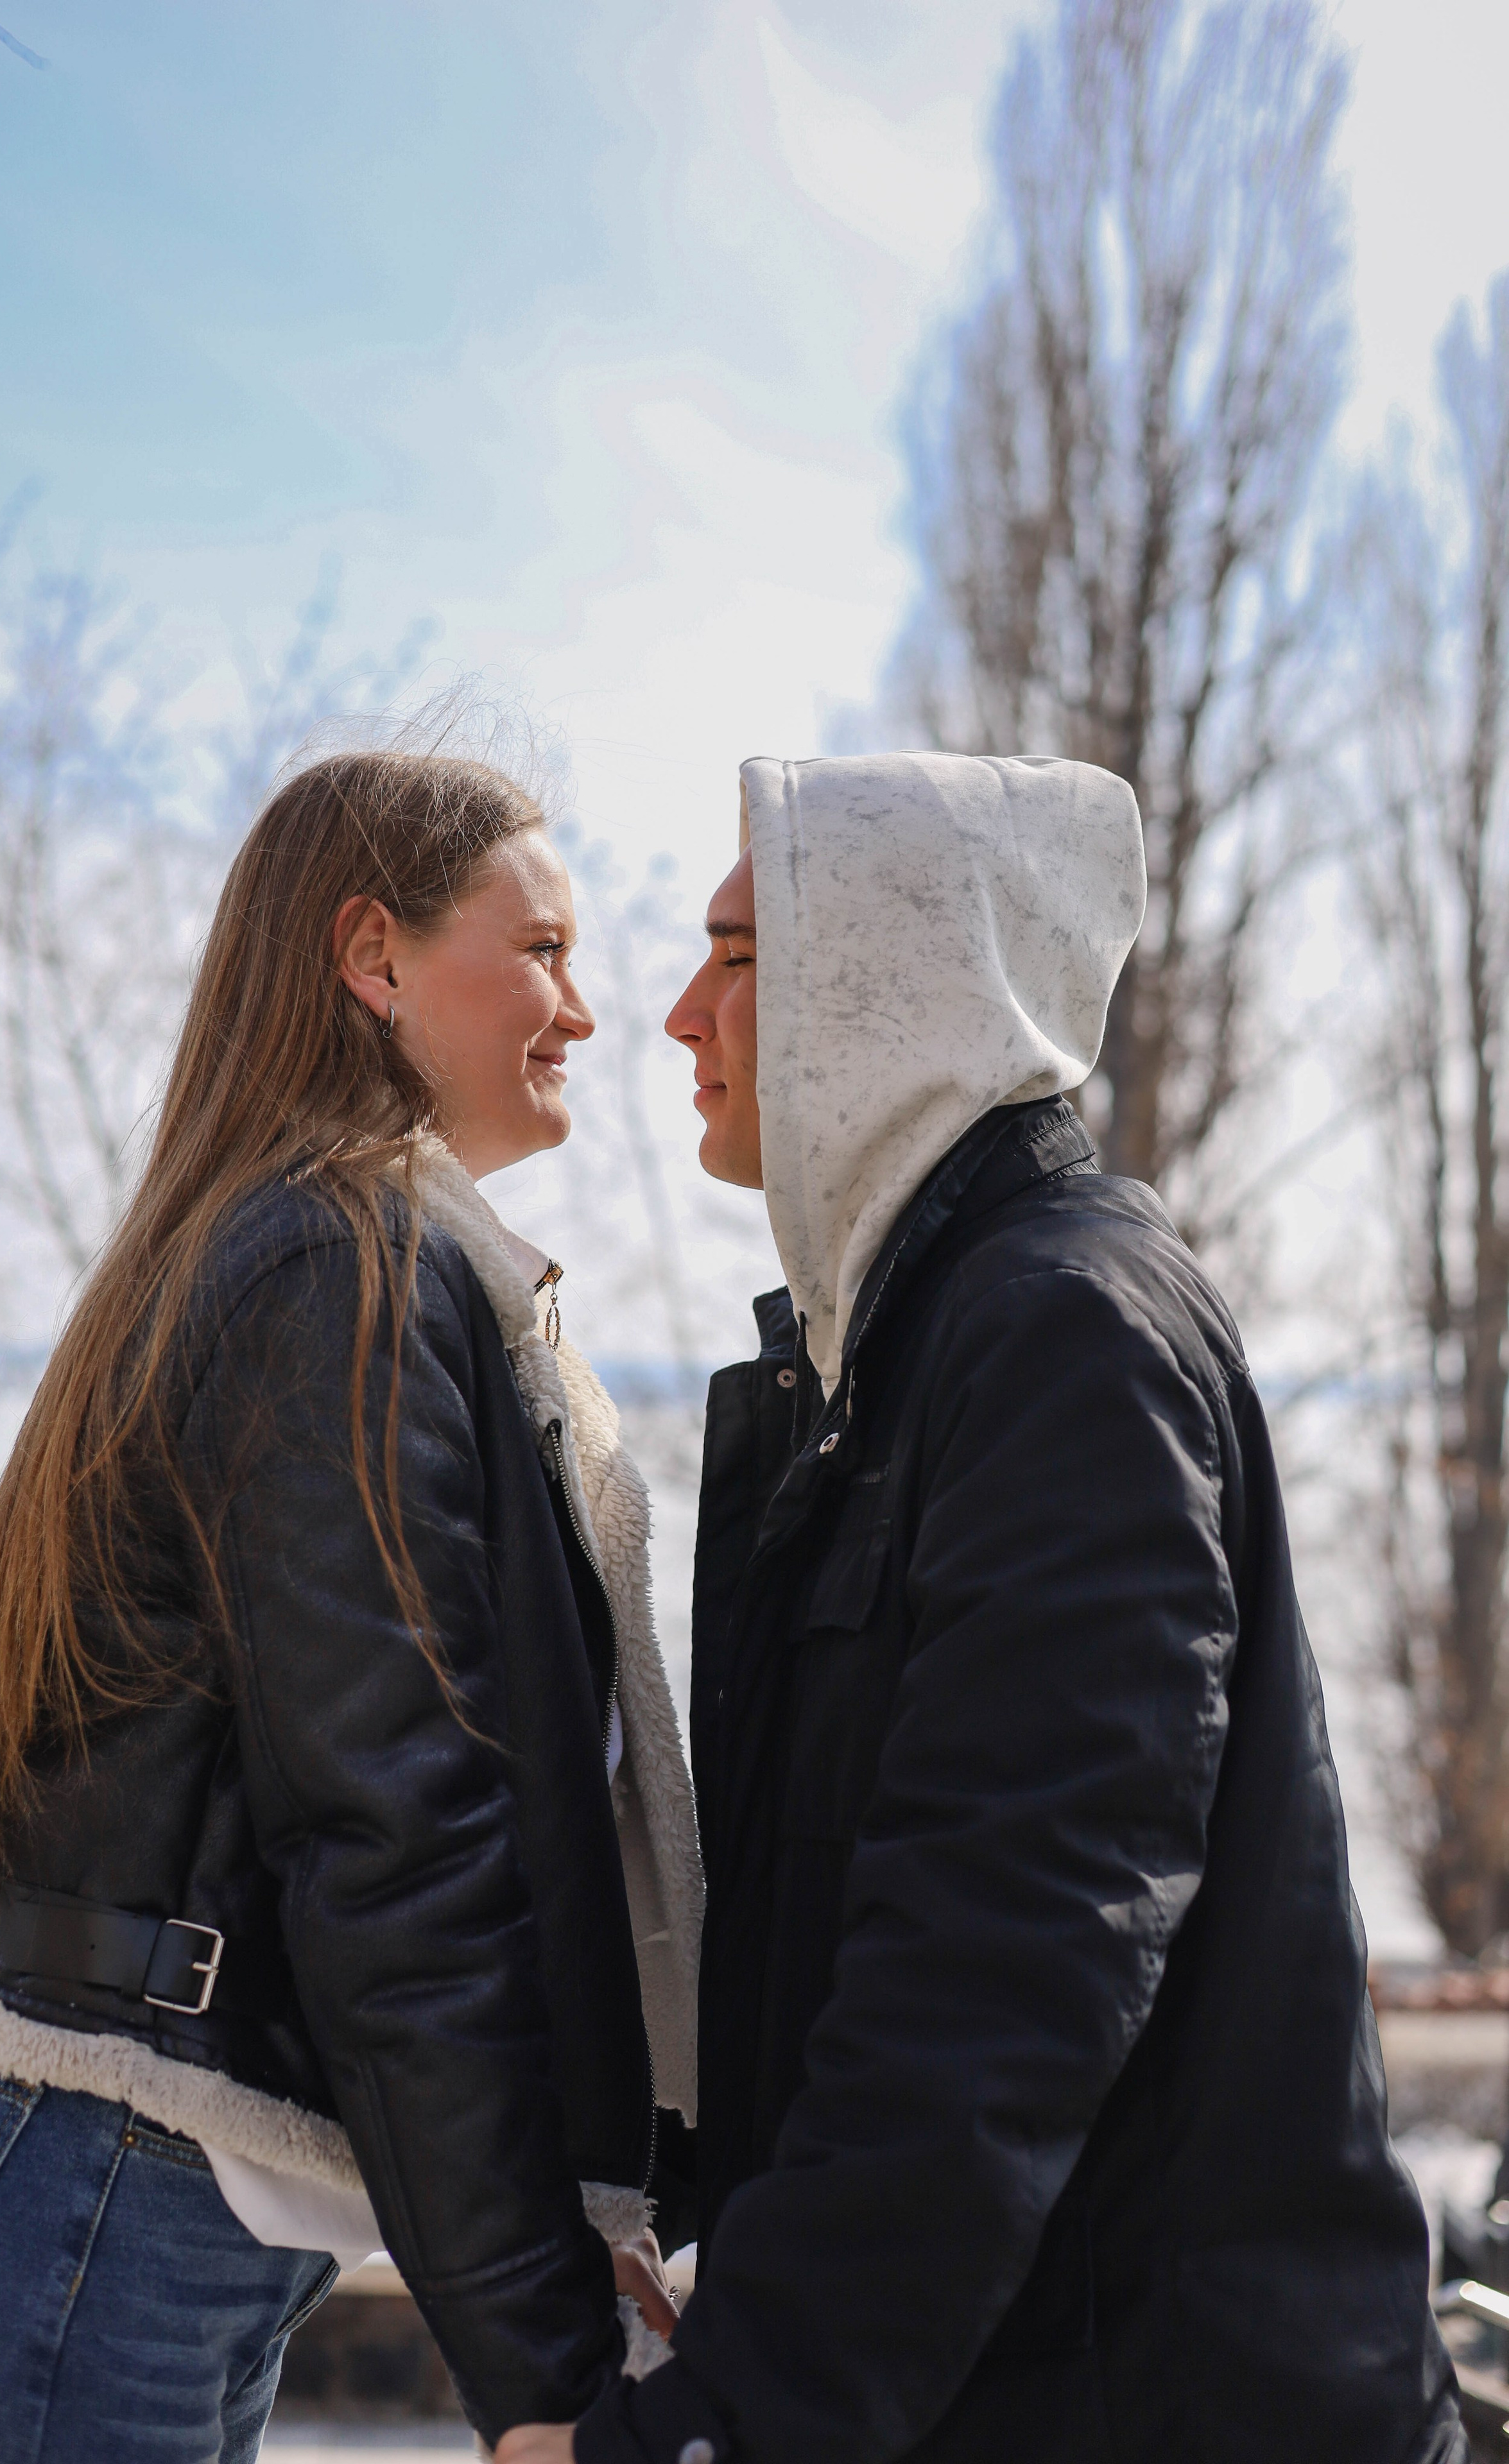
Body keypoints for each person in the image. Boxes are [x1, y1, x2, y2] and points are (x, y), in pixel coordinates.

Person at [499, 751, 1464, 2464]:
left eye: (736, 956)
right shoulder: (906, 1354)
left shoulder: (1061, 1333)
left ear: (904, 976)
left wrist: (723, 2428)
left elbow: (1011, 1956)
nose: (670, 1018)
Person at [0, 744, 701, 2463]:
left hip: (101, 2218)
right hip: (86, 2227)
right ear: (372, 956)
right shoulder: (339, 1273)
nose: (589, 1011)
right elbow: (398, 1838)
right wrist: (535, 2356)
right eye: (540, 948)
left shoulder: (302, 1250)